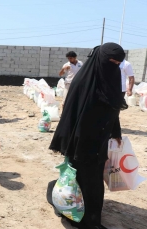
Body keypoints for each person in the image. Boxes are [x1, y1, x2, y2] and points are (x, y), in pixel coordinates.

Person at [48, 43, 127, 229]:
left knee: (93, 180)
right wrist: (80, 142)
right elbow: (72, 115)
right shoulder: (82, 81)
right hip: (81, 140)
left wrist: (116, 132)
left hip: (100, 140)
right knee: (84, 179)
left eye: (117, 63)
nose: (113, 67)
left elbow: (113, 109)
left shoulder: (111, 77)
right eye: (111, 62)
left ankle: (90, 216)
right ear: (100, 60)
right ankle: (85, 219)